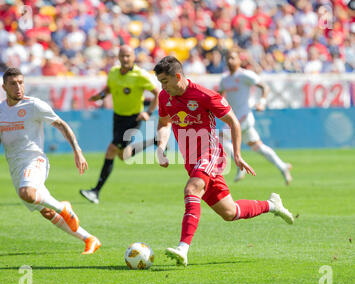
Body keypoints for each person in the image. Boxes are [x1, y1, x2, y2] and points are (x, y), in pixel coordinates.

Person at [153, 56, 294, 266]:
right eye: (160, 82)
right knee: (230, 212)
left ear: (178, 76)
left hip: (210, 154)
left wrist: (237, 154)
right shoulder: (165, 97)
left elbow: (233, 121)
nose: (162, 87)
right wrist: (161, 148)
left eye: (165, 81)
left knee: (192, 190)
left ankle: (183, 248)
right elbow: (164, 124)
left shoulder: (204, 95)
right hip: (192, 161)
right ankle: (272, 205)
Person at [0, 67, 101, 254]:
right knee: (46, 212)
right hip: (15, 168)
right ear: (4, 87)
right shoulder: (1, 111)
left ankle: (63, 207)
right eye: (13, 84)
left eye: (21, 82)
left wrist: (77, 150)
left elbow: (61, 124)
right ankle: (89, 238)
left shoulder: (34, 105)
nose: (18, 87)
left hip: (34, 161)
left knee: (27, 192)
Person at [79, 45, 159, 204]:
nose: (125, 59)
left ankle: (95, 192)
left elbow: (157, 93)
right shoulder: (113, 72)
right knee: (123, 155)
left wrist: (148, 112)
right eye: (122, 56)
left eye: (128, 56)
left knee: (111, 150)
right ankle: (154, 141)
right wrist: (99, 96)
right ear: (118, 57)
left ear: (133, 57)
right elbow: (108, 89)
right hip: (118, 117)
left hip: (133, 119)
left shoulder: (140, 75)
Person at [219, 48, 292, 184]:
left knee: (220, 138)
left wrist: (262, 102)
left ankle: (238, 164)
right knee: (258, 147)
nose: (230, 61)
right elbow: (219, 96)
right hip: (235, 118)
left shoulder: (245, 75)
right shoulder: (225, 79)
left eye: (233, 58)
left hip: (244, 116)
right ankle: (282, 166)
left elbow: (264, 87)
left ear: (239, 60)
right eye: (227, 58)